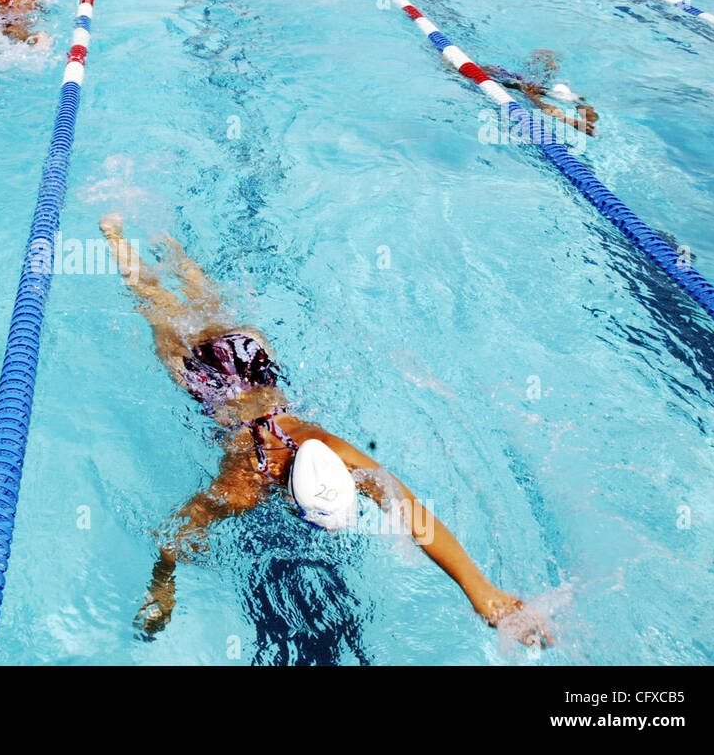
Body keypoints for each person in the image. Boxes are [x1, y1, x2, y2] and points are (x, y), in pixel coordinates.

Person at [97, 214, 554, 647]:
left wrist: (483, 592)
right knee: (160, 306)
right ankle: (124, 237)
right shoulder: (243, 485)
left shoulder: (330, 449)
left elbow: (413, 514)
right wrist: (163, 588)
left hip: (249, 358)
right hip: (216, 373)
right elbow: (175, 533)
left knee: (193, 304)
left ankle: (156, 240)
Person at [482, 50, 598, 137]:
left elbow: (584, 105)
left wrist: (588, 120)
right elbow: (542, 105)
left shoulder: (553, 87)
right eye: (548, 66)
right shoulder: (516, 80)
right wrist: (571, 121)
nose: (550, 72)